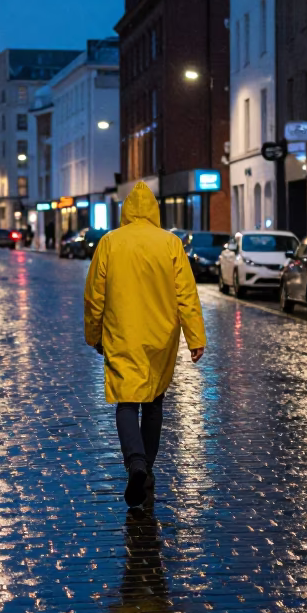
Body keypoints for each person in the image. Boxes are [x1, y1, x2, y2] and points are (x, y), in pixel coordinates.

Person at [83, 182, 205, 508]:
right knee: (153, 402)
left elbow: (94, 295)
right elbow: (186, 294)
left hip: (122, 333)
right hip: (161, 336)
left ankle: (135, 462)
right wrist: (195, 337)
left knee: (126, 402)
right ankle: (146, 468)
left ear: (125, 210)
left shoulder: (110, 243)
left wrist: (94, 334)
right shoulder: (170, 243)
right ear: (154, 210)